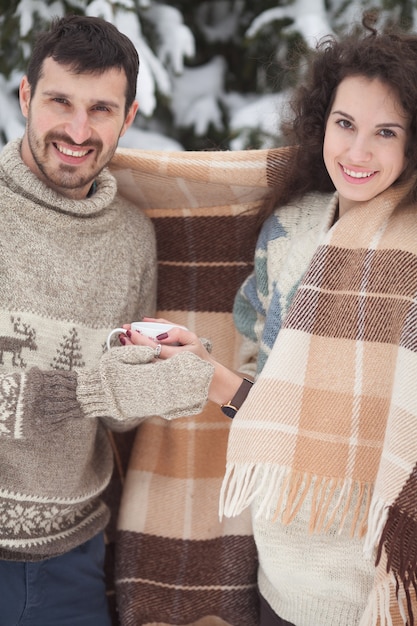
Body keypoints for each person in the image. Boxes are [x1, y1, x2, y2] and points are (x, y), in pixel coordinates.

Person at [121, 12, 417, 626]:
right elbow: (274, 407)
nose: (357, 152)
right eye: (345, 124)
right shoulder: (290, 231)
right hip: (284, 564)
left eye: (386, 132)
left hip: (389, 572)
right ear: (321, 123)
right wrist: (209, 373)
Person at [0, 14, 214, 626]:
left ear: (129, 118)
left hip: (73, 557)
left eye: (100, 109)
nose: (76, 128)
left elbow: (113, 412)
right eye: (59, 101)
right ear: (25, 97)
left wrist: (153, 386)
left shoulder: (131, 239)